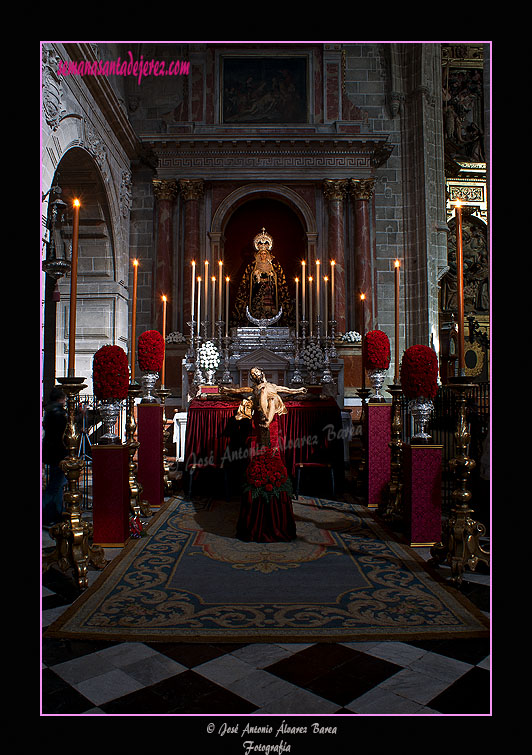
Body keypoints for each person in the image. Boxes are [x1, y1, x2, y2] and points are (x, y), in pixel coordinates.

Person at [220, 367, 307, 448]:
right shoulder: (254, 388)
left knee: (272, 398)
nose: (255, 375)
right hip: (264, 404)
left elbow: (288, 390)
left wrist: (299, 390)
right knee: (265, 392)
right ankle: (267, 421)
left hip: (275, 402)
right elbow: (238, 390)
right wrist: (226, 389)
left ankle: (266, 420)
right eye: (253, 374)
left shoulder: (273, 386)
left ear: (262, 372)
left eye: (256, 372)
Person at [232, 228, 291, 325]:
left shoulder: (274, 265)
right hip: (257, 292)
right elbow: (246, 283)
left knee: (269, 303)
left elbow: (280, 282)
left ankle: (271, 314)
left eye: (265, 253)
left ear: (267, 254)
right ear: (258, 254)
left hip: (269, 291)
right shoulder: (252, 265)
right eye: (261, 253)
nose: (263, 255)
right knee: (259, 303)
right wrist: (255, 277)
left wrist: (272, 277)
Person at [42, 387, 67, 527]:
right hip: (58, 452)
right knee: (55, 485)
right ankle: (46, 512)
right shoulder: (58, 413)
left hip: (52, 452)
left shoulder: (50, 410)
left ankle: (57, 512)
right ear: (60, 398)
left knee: (58, 485)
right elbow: (64, 429)